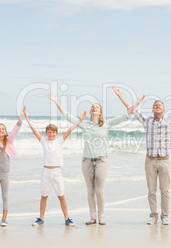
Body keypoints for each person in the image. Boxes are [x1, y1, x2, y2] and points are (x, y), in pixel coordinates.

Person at [49, 92, 143, 226]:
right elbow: (67, 116)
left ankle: (101, 217)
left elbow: (124, 116)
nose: (94, 108)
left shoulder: (106, 124)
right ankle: (92, 217)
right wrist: (56, 101)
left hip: (101, 161)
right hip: (86, 161)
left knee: (99, 190)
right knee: (90, 191)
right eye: (92, 107)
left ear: (100, 113)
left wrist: (136, 104)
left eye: (97, 107)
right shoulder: (84, 124)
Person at [113, 86, 171, 225]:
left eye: (159, 105)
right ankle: (153, 216)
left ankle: (165, 216)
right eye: (155, 105)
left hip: (164, 161)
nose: (157, 106)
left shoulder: (170, 120)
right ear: (152, 110)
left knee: (165, 191)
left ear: (163, 109)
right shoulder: (147, 121)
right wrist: (120, 96)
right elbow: (132, 110)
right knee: (151, 191)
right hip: (150, 161)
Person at [24, 107, 86, 227]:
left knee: (61, 196)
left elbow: (70, 130)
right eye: (49, 132)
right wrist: (27, 117)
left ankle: (67, 218)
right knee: (44, 196)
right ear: (46, 133)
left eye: (53, 132)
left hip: (56, 172)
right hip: (46, 171)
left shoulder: (59, 141)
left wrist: (79, 121)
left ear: (56, 133)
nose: (51, 134)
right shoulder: (43, 141)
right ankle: (41, 218)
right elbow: (33, 129)